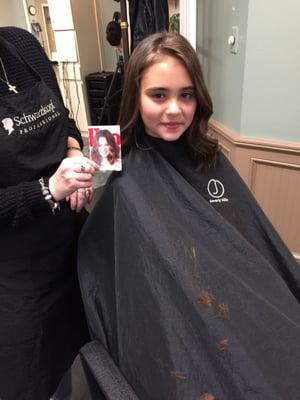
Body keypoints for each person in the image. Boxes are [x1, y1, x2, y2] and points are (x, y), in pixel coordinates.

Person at [76, 32, 300, 399]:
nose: (175, 109)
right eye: (158, 95)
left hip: (228, 312)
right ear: (135, 97)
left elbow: (252, 245)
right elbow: (117, 271)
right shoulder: (122, 176)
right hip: (174, 326)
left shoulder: (211, 161)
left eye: (186, 94)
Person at [0, 26, 99, 400]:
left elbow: (65, 119)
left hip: (75, 247)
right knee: (34, 379)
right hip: (19, 276)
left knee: (91, 355)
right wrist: (48, 190)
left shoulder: (21, 45)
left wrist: (73, 150)